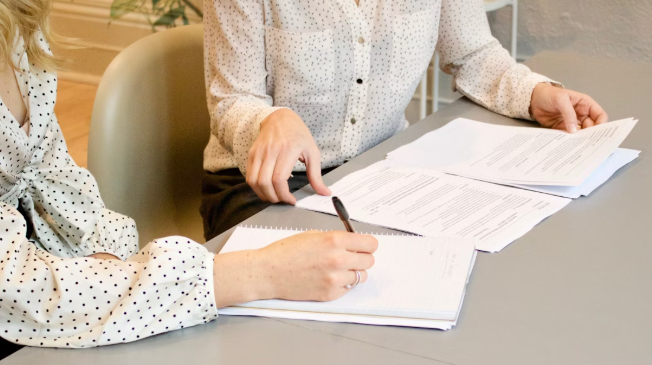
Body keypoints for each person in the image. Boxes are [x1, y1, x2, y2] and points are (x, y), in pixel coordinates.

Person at [0, 0, 377, 365]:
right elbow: (8, 281)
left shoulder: (12, 13)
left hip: (22, 266)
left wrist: (108, 261)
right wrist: (257, 273)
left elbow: (53, 177)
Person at [201, 0, 610, 240]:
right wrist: (270, 120)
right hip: (262, 185)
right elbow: (231, 98)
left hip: (379, 171)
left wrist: (536, 94)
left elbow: (474, 54)